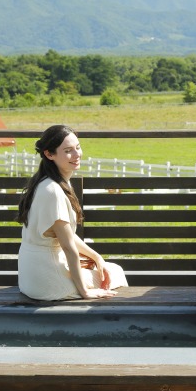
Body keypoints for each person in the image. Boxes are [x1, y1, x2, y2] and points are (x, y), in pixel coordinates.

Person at [17, 125, 128, 300]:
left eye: (78, 147)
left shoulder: (47, 183)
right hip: (47, 282)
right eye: (68, 151)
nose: (77, 155)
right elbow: (68, 248)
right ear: (49, 154)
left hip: (32, 277)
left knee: (105, 267)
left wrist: (96, 257)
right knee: (115, 272)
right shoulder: (53, 190)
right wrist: (85, 292)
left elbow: (64, 234)